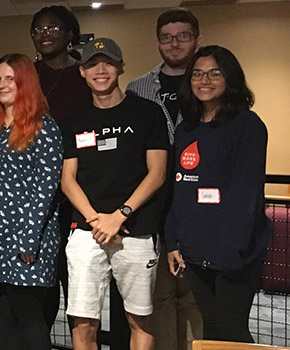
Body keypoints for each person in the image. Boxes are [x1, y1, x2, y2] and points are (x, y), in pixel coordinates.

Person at [60, 38, 167, 350]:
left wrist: (120, 215)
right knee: (82, 322)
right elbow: (68, 180)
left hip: (136, 229)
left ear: (121, 67)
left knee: (139, 319)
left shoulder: (148, 113)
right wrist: (98, 221)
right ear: (82, 71)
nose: (100, 70)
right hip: (86, 231)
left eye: (108, 62)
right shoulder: (75, 120)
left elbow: (157, 173)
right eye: (92, 64)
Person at [166, 45, 269, 343]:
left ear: (230, 79)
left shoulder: (247, 126)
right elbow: (180, 190)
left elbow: (245, 197)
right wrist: (173, 241)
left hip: (234, 254)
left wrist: (227, 253)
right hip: (195, 251)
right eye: (197, 73)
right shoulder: (187, 128)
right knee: (210, 329)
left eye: (215, 73)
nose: (204, 80)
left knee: (231, 330)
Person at [0, 53, 63, 350]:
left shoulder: (43, 127)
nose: (3, 84)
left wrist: (28, 241)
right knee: (2, 317)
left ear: (25, 83)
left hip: (27, 239)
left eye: (11, 79)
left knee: (29, 318)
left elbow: (46, 189)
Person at [126, 9, 204, 350]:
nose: (175, 43)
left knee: (196, 295)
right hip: (153, 199)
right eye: (167, 37)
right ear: (158, 42)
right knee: (157, 295)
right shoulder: (138, 88)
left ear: (197, 39)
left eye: (183, 35)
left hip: (198, 199)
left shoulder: (209, 82)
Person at [31, 6, 90, 122]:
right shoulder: (25, 73)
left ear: (69, 34)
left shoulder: (85, 73)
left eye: (53, 28)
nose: (44, 34)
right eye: (38, 29)